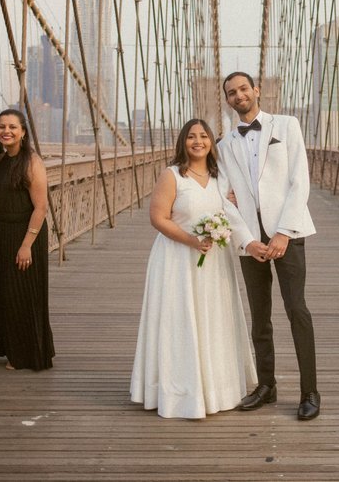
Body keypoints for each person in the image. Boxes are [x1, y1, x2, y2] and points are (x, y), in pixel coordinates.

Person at [130, 118, 257, 419]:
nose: (197, 141)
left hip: (213, 262)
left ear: (212, 142)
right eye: (191, 137)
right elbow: (158, 219)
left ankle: (216, 391)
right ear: (182, 142)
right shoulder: (172, 175)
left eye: (203, 136)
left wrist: (252, 243)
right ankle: (180, 394)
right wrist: (192, 240)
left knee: (214, 321)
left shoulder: (221, 178)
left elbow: (235, 211)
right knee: (179, 322)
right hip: (177, 259)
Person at [216, 72, 321, 421]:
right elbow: (224, 198)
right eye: (232, 93)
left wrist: (283, 232)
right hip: (250, 241)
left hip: (286, 233)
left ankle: (310, 391)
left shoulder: (287, 126)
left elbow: (299, 180)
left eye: (244, 89)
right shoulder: (223, 145)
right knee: (259, 318)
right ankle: (267, 386)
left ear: (256, 91)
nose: (239, 96)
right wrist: (247, 240)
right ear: (228, 101)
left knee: (297, 310)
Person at [0, 109, 55, 371]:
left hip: (24, 234)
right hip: (0, 235)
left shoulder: (32, 161)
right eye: (2, 127)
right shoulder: (1, 159)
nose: (6, 131)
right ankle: (7, 348)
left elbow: (41, 208)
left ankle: (27, 355)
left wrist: (26, 245)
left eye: (13, 127)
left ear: (23, 132)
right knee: (3, 294)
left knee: (23, 294)